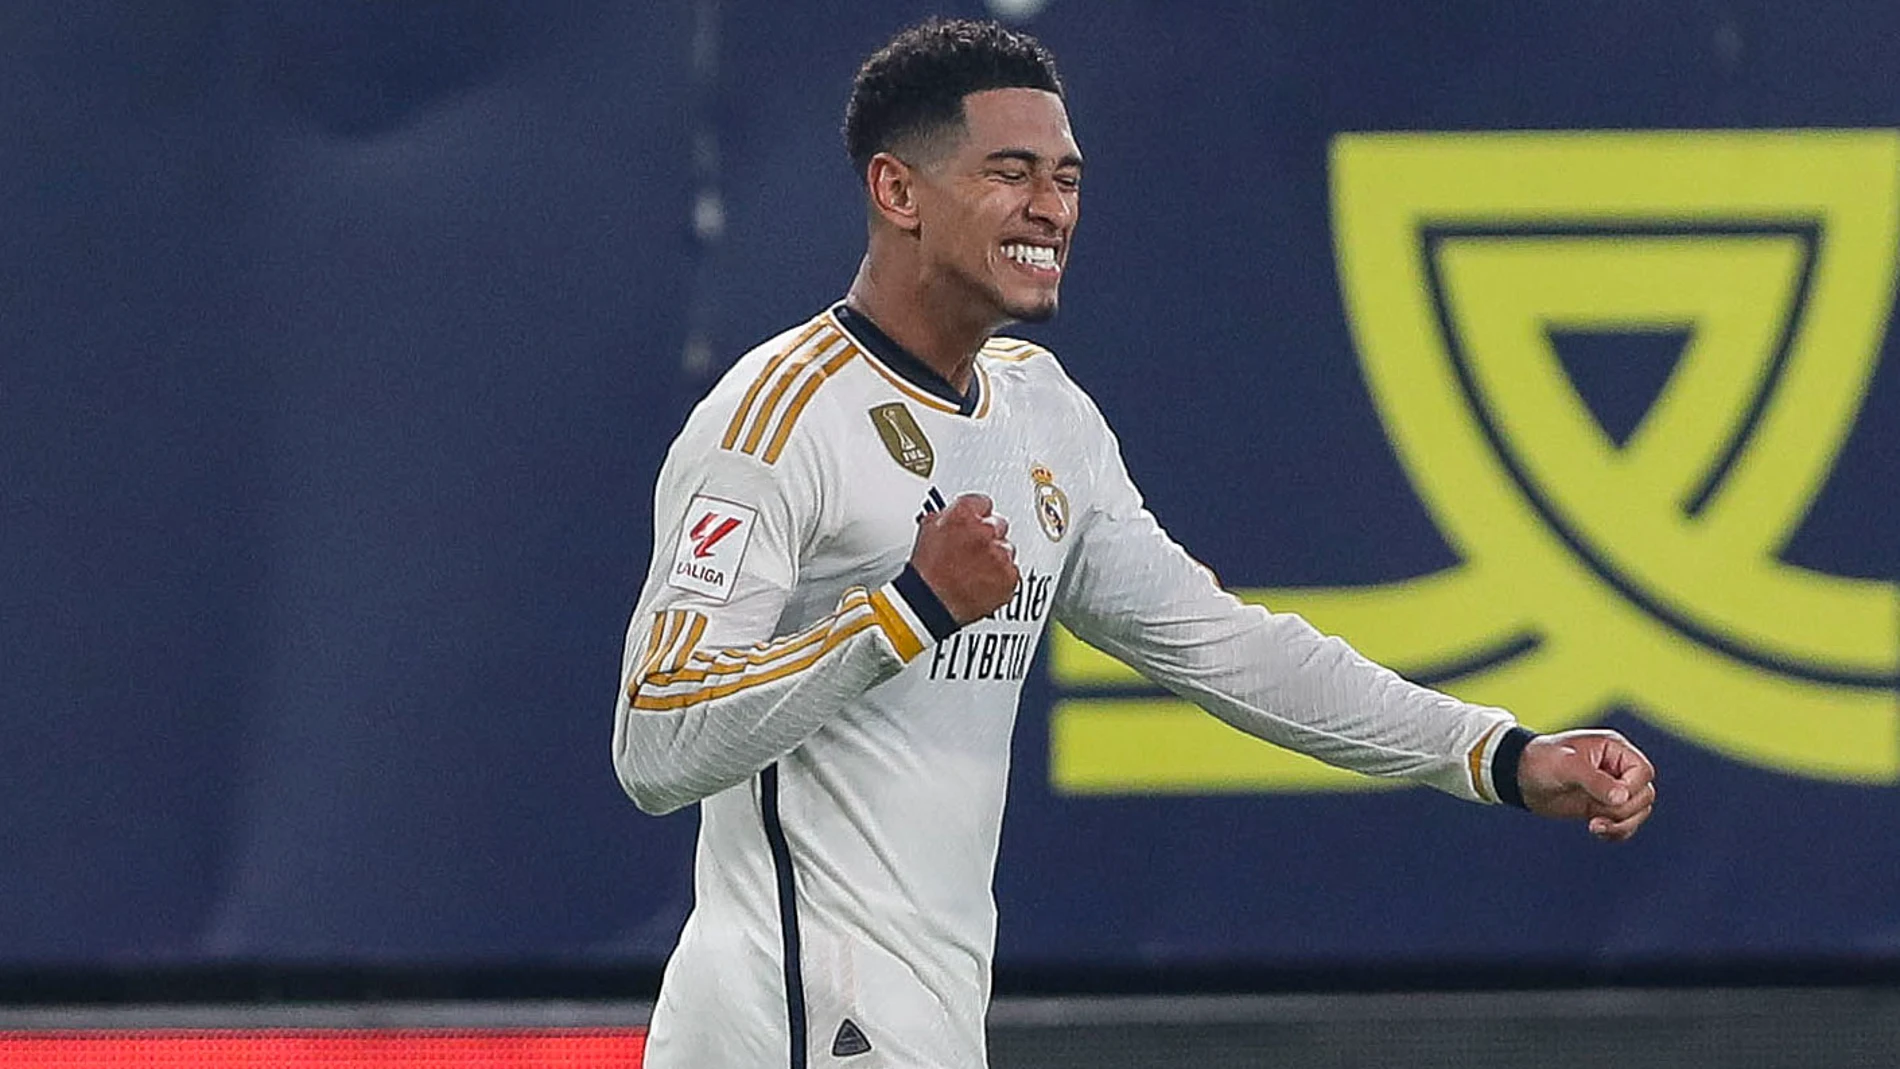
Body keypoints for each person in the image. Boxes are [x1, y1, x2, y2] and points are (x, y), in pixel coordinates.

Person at [612, 17, 1657, 1069]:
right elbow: (656, 741)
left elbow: (1225, 646)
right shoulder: (780, 420)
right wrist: (905, 611)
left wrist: (1495, 753)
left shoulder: (1040, 415)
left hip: (915, 1018)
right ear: (897, 192)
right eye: (1010, 173)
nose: (1050, 208)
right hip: (788, 1023)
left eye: (1066, 178)